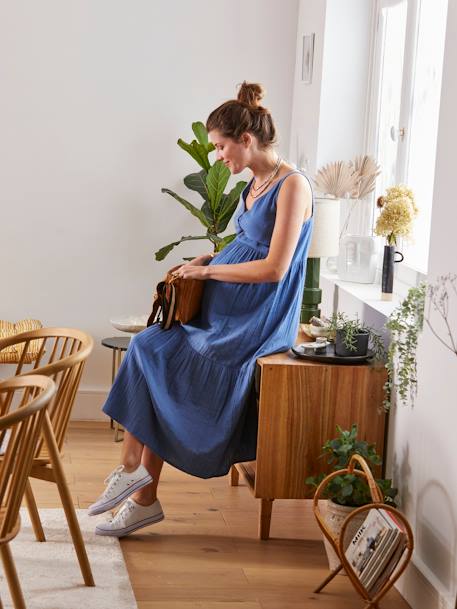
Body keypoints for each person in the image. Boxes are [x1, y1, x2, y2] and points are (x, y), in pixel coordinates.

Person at [89, 81, 314, 537]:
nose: (217, 157)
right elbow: (248, 243)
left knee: (156, 353)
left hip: (255, 318)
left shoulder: (293, 186)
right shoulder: (256, 181)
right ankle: (136, 479)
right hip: (226, 303)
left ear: (246, 140)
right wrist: (207, 258)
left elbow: (275, 268)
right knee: (149, 347)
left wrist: (209, 276)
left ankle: (140, 487)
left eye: (220, 146)